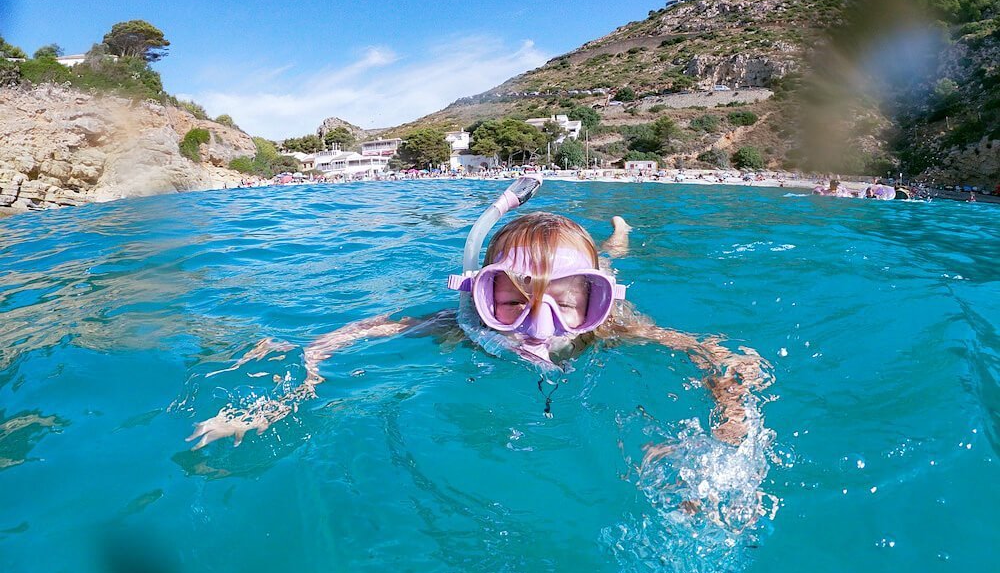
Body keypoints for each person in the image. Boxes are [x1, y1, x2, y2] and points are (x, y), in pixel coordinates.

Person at [187, 178, 771, 450]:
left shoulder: (614, 325)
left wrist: (731, 417)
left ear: (597, 304)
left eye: (570, 303)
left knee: (613, 252)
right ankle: (611, 241)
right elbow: (351, 335)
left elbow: (719, 353)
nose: (538, 326)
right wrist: (287, 387)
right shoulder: (462, 321)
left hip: (608, 282)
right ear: (481, 294)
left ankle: (618, 238)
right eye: (512, 300)